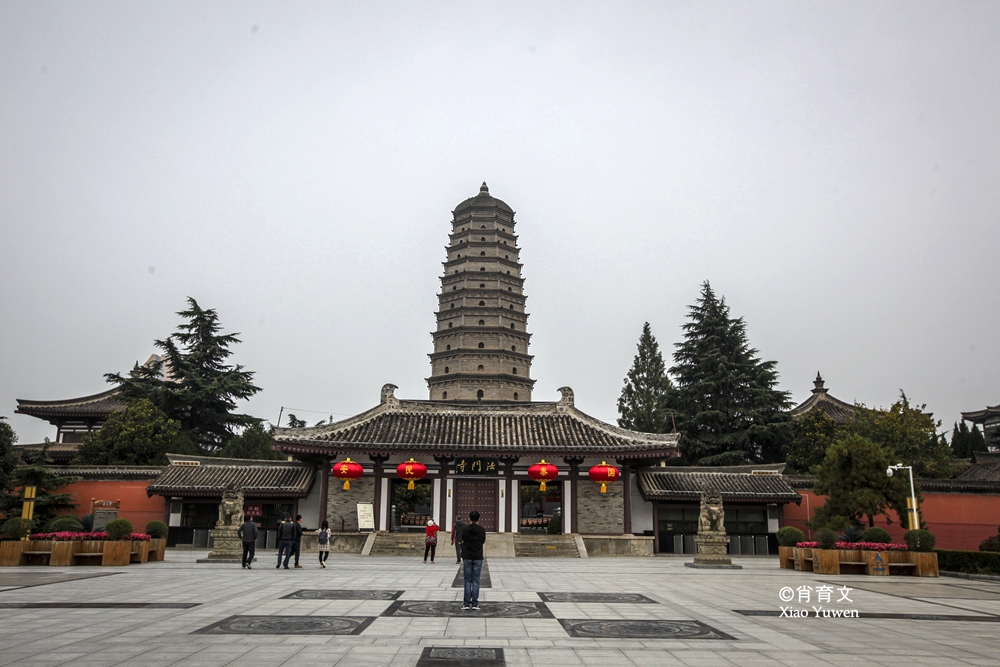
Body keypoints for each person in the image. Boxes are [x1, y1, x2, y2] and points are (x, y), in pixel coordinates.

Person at [461, 511, 486, 611]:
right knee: (476, 580)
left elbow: (463, 539)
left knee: (467, 581)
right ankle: (475, 603)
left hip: (467, 555)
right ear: (479, 519)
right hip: (477, 556)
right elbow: (483, 541)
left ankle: (466, 603)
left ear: (469, 518)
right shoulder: (481, 529)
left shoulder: (465, 529)